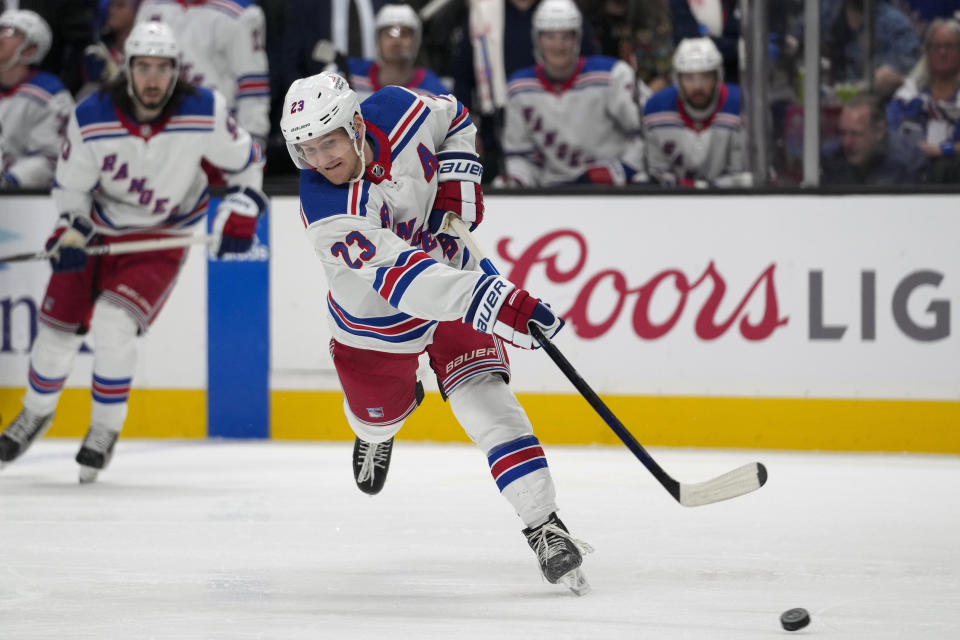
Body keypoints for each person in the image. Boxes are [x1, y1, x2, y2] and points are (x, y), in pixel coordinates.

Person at [278, 71, 592, 593]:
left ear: (355, 125)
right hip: (376, 323)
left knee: (489, 405)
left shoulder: (401, 108)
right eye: (306, 149)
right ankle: (377, 434)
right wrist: (496, 302)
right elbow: (407, 282)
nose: (321, 159)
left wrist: (458, 184)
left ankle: (546, 527)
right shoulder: (328, 208)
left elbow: (457, 118)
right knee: (376, 419)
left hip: (451, 277)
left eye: (328, 141)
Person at [0, 22, 266, 482]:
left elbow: (248, 165)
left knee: (114, 322)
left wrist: (243, 210)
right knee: (55, 337)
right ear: (128, 70)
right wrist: (70, 231)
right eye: (143, 67)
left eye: (163, 68)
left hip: (159, 241)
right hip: (96, 234)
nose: (153, 79)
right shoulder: (92, 115)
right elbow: (70, 189)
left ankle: (104, 429)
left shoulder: (204, 110)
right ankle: (36, 411)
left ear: (176, 71)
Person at [499, 0, 645, 187]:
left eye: (566, 37)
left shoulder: (613, 76)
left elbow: (646, 136)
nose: (558, 46)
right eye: (550, 37)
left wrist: (620, 170)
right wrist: (515, 180)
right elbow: (521, 156)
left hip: (613, 192)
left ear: (577, 39)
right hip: (554, 194)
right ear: (537, 39)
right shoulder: (519, 89)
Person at [136, 0, 270, 152]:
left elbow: (253, 87)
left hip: (216, 132)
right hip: (160, 130)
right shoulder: (150, 6)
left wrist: (254, 141)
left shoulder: (241, 13)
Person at [642, 36, 752, 188]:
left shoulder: (740, 106)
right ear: (677, 79)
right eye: (688, 78)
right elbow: (657, 173)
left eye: (706, 76)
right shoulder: (656, 109)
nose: (697, 86)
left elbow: (740, 174)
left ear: (718, 76)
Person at [0, 9, 73, 190]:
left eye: (11, 33)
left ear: (30, 49)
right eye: (0, 30)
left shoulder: (51, 95)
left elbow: (55, 158)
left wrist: (12, 179)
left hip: (25, 202)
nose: (1, 37)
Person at [887, 18, 960, 182]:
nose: (942, 52)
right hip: (907, 174)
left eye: (949, 47)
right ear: (927, 52)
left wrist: (942, 150)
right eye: (936, 47)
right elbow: (888, 132)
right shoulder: (909, 94)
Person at [346, 4, 449, 101]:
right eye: (389, 34)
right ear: (378, 39)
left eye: (404, 34)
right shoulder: (349, 74)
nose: (396, 41)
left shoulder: (435, 94)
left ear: (416, 41)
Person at [822, 92, 929, 184]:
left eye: (856, 134)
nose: (847, 142)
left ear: (879, 131)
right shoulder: (829, 156)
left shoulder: (909, 162)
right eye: (842, 133)